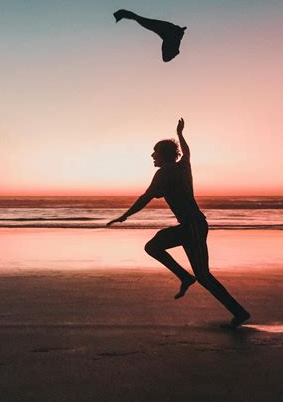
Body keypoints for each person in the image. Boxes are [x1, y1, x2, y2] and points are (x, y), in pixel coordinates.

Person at [106, 118, 250, 328]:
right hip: (190, 227)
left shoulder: (164, 173)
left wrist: (125, 215)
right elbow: (187, 152)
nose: (152, 155)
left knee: (203, 275)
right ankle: (186, 278)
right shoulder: (184, 166)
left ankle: (237, 311)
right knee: (155, 247)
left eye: (155, 152)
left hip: (192, 226)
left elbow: (145, 197)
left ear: (163, 155)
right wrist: (180, 134)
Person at [113, 9, 186, 62]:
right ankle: (120, 14)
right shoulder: (172, 41)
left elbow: (166, 58)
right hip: (169, 31)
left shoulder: (172, 42)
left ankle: (120, 14)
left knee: (140, 19)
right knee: (140, 20)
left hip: (169, 32)